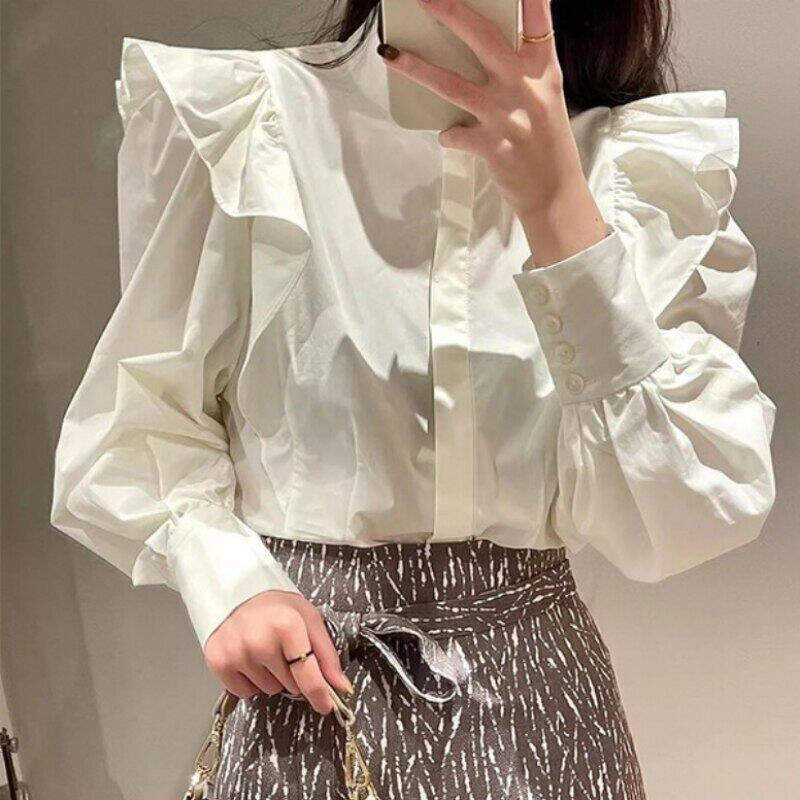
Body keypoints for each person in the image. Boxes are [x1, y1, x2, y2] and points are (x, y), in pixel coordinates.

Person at [49, 0, 777, 797]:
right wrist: (226, 579)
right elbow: (144, 413)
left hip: (541, 717)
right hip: (313, 700)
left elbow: (689, 506)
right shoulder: (250, 123)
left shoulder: (638, 167)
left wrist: (559, 213)